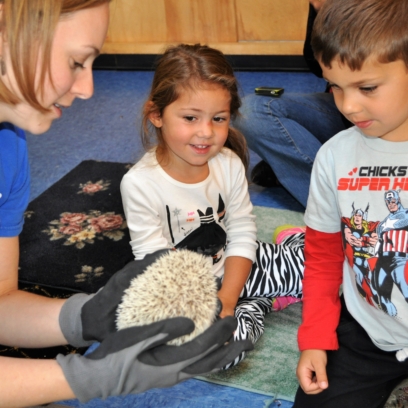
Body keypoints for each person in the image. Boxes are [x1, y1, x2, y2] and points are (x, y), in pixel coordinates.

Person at [0, 1, 253, 406]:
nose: (88, 90)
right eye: (77, 61)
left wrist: (86, 316)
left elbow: (1, 303)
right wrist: (91, 377)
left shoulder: (8, 149)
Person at [120, 43, 306, 368]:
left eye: (218, 119)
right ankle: (260, 302)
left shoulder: (228, 163)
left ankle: (288, 253)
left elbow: (242, 234)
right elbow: (155, 264)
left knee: (338, 268)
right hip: (188, 290)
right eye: (190, 117)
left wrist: (229, 297)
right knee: (214, 354)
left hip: (240, 266)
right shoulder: (139, 184)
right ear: (156, 115)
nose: (206, 133)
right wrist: (211, 308)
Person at [293, 0, 408, 406]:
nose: (347, 106)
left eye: (367, 87)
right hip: (367, 328)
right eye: (335, 86)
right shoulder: (334, 156)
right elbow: (323, 258)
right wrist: (315, 339)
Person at [233, 0, 351, 208]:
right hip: (344, 114)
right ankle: (334, 205)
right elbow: (318, 65)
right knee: (252, 112)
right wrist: (322, 13)